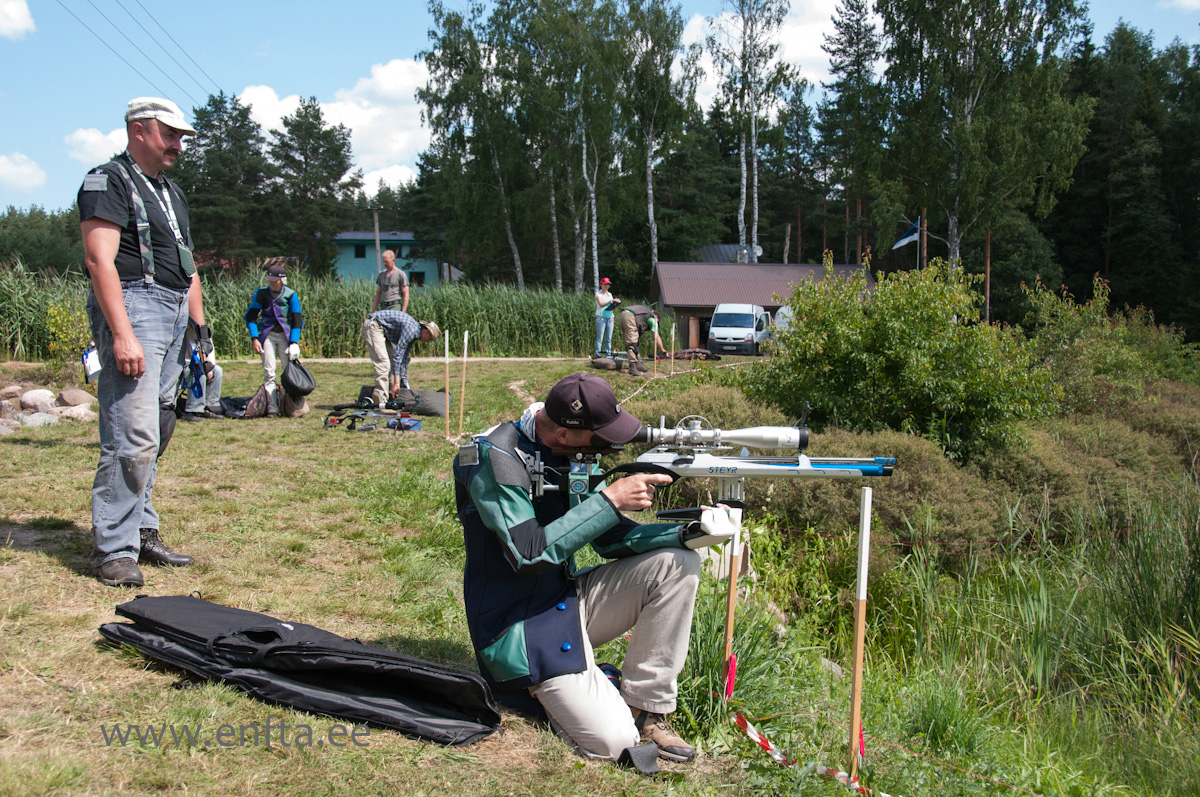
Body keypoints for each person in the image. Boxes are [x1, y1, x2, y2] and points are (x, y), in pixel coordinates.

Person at [452, 373, 737, 764]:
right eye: (601, 436)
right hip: (514, 627)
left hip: (563, 599)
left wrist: (688, 533)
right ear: (566, 435)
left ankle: (645, 705)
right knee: (617, 742)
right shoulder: (493, 457)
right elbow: (528, 555)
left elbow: (609, 539)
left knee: (678, 562)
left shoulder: (573, 453)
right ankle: (545, 691)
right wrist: (609, 499)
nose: (609, 446)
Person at [78, 97, 209, 587]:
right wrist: (122, 333)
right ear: (138, 130)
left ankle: (142, 529)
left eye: (180, 137)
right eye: (169, 134)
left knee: (160, 427)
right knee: (132, 434)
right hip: (135, 309)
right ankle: (114, 548)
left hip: (175, 313)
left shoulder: (171, 193)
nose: (178, 144)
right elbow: (99, 261)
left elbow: (188, 262)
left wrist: (200, 330)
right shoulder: (107, 180)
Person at [244, 263, 303, 417]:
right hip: (267, 335)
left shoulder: (291, 295)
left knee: (288, 373)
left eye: (274, 281)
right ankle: (272, 409)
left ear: (282, 280)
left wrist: (294, 342)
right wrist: (255, 338)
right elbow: (250, 317)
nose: (271, 283)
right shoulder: (261, 294)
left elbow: (297, 320)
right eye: (269, 280)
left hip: (285, 335)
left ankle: (290, 407)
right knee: (269, 373)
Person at [361, 309, 441, 404]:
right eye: (430, 339)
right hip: (374, 325)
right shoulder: (411, 330)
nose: (428, 342)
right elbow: (398, 355)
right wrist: (396, 382)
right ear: (427, 332)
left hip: (382, 329)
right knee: (384, 363)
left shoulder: (415, 333)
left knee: (391, 362)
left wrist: (404, 378)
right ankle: (380, 399)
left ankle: (392, 395)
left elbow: (404, 357)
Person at [176, 320, 225, 421]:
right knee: (198, 371)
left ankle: (211, 406)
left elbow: (209, 350)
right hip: (182, 367)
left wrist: (209, 367)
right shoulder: (181, 331)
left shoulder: (203, 333)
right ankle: (193, 410)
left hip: (197, 364)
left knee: (217, 371)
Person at [618, 304, 668, 373]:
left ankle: (638, 365)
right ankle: (632, 368)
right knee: (632, 343)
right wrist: (662, 350)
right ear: (656, 318)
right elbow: (656, 337)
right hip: (630, 317)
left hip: (622, 315)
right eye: (657, 322)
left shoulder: (645, 314)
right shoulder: (653, 319)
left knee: (634, 342)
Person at [593, 277, 619, 359]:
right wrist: (610, 301)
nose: (606, 286)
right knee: (600, 338)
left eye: (608, 285)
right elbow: (600, 304)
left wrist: (615, 303)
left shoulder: (610, 294)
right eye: (605, 284)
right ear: (601, 285)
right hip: (601, 318)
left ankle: (608, 354)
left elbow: (611, 307)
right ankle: (598, 354)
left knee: (608, 338)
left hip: (610, 318)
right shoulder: (598, 294)